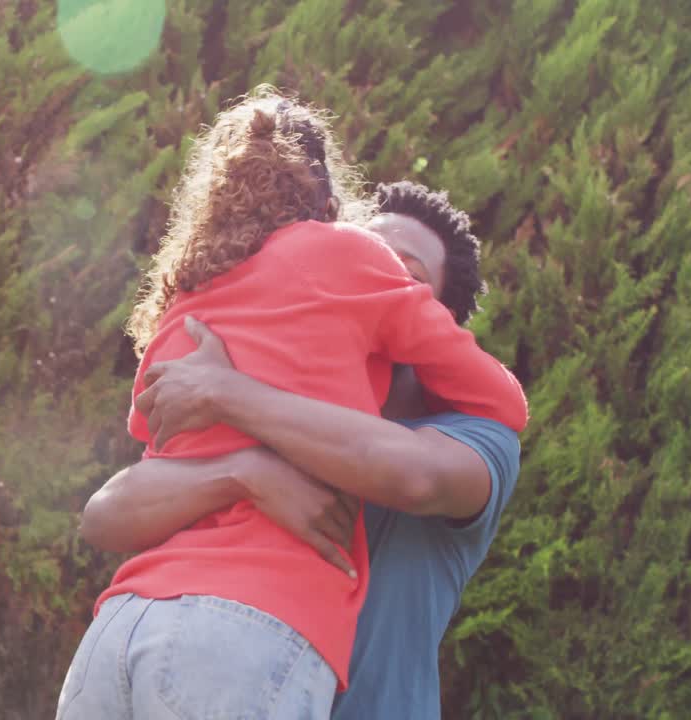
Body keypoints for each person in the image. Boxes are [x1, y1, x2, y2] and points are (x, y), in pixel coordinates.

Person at [55, 84, 527, 720]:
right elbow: (107, 510)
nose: (376, 280)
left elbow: (414, 469)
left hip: (146, 641)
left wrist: (230, 392)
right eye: (371, 257)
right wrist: (239, 474)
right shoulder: (271, 343)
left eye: (404, 275)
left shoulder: (475, 436)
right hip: (226, 643)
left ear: (439, 315)